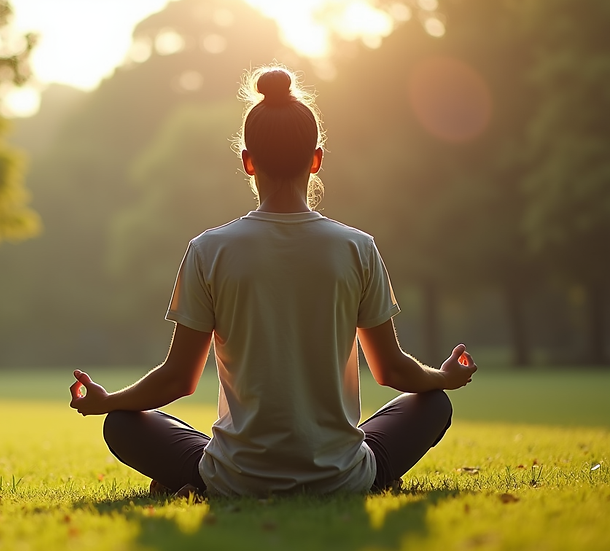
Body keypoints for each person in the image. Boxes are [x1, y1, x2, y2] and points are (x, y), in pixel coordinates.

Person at [68, 66, 477, 496]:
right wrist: (443, 377)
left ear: (248, 162)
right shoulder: (357, 248)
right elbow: (391, 369)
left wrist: (108, 402)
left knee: (123, 423)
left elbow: (177, 379)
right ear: (316, 159)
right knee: (433, 403)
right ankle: (366, 477)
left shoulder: (209, 250)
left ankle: (200, 480)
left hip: (234, 478)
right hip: (344, 477)